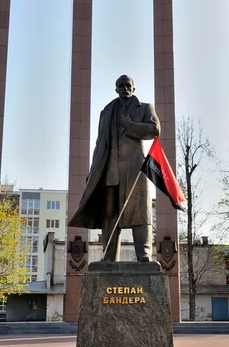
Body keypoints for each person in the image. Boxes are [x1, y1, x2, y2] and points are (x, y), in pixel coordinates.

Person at [68, 75, 160, 261]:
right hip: (110, 169)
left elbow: (154, 130)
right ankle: (109, 257)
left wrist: (130, 125)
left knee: (140, 213)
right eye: (121, 86)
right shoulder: (106, 112)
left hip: (135, 170)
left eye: (128, 85)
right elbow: (100, 143)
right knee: (109, 215)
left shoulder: (144, 108)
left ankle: (144, 254)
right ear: (116, 89)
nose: (124, 88)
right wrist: (93, 170)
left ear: (134, 88)